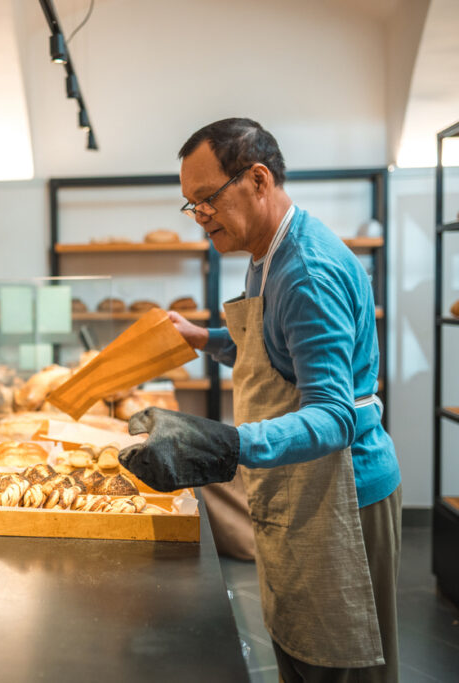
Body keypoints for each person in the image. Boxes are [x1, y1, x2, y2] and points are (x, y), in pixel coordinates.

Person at [119, 118, 402, 682]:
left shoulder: (306, 273)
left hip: (344, 493)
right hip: (303, 483)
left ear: (258, 179)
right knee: (301, 649)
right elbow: (274, 349)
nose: (200, 218)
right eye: (190, 205)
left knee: (338, 663)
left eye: (206, 200)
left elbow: (334, 415)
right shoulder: (265, 252)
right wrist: (204, 339)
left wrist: (227, 443)